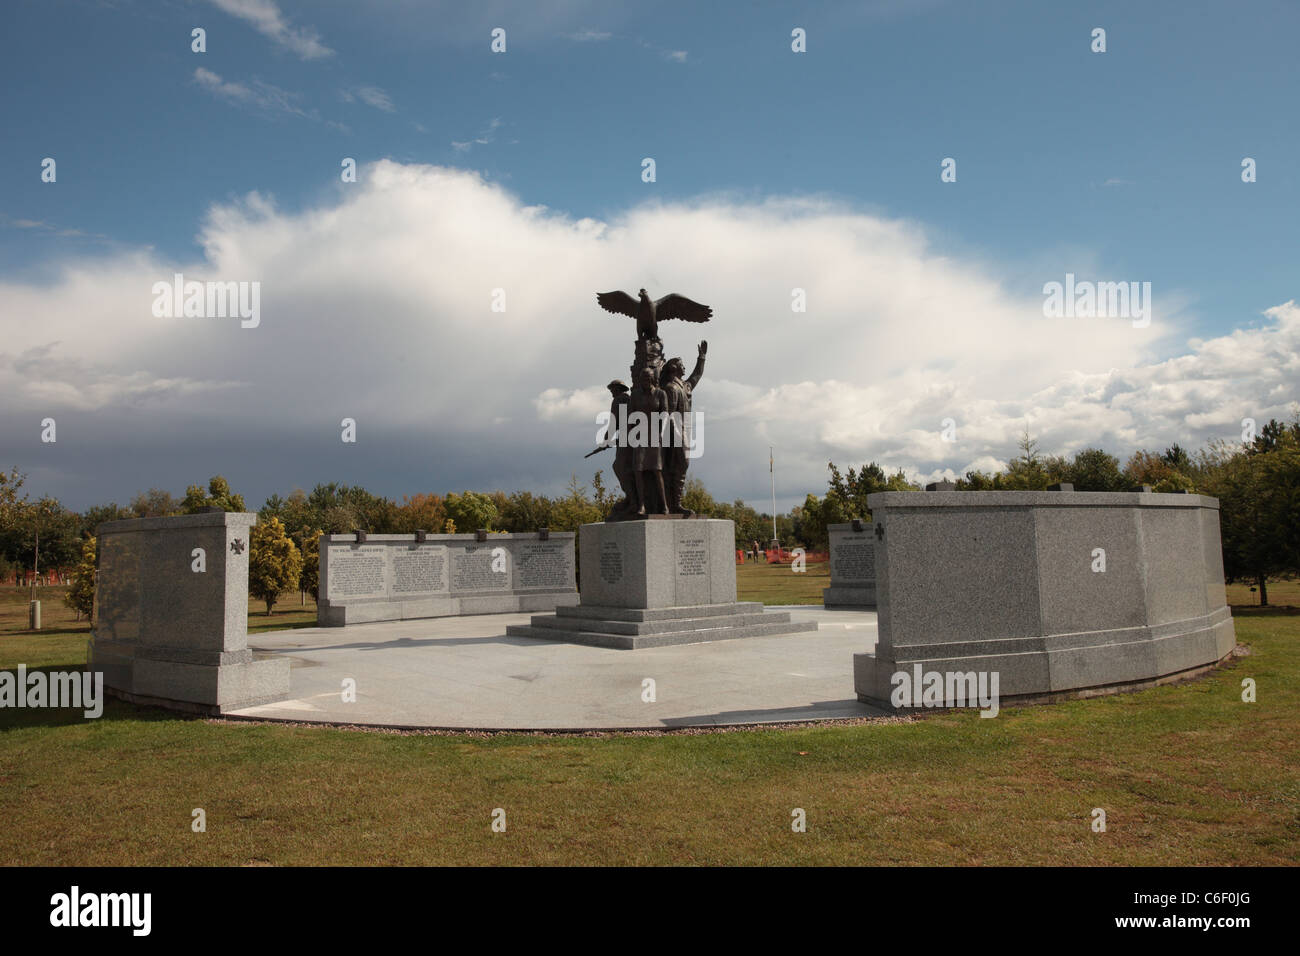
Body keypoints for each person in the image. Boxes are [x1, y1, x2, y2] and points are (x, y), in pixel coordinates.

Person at [659, 341, 707, 514]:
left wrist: (701, 358)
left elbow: (696, 376)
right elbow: (670, 414)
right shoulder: (671, 388)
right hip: (675, 432)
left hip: (685, 429)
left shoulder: (684, 386)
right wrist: (676, 436)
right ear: (673, 368)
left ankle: (675, 503)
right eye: (681, 365)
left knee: (680, 466)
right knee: (679, 465)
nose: (684, 367)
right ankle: (673, 504)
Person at [628, 367, 669, 514]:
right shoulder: (635, 395)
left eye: (648, 378)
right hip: (639, 437)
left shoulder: (660, 394)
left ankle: (664, 505)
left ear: (652, 379)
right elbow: (631, 416)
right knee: (638, 470)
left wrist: (661, 432)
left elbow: (665, 414)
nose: (645, 381)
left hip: (655, 436)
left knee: (657, 471)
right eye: (643, 378)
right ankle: (641, 505)